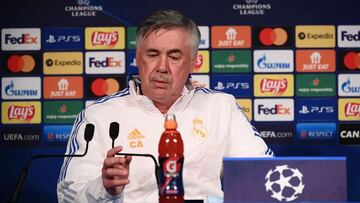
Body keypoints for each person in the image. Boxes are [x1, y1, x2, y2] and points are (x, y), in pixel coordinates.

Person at [57, 9, 273, 203]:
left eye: (174, 56)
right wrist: (104, 188)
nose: (161, 67)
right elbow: (68, 196)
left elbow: (265, 175)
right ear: (138, 58)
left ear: (193, 62)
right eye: (152, 55)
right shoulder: (99, 115)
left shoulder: (221, 107)